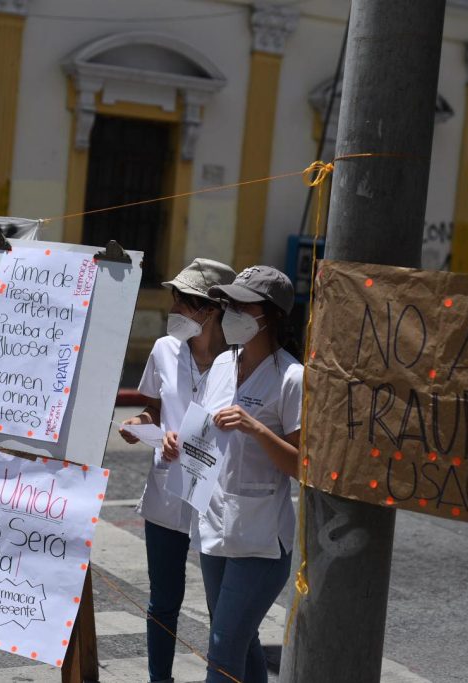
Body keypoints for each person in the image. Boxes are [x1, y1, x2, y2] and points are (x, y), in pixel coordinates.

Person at [165, 265, 302, 683]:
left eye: (243, 305)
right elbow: (200, 429)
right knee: (240, 643)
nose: (231, 312)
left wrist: (256, 427)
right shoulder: (224, 362)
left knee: (223, 649)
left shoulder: (292, 377)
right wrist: (175, 440)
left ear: (271, 315)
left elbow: (302, 465)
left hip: (261, 540)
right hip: (214, 529)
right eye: (230, 303)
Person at [119, 258, 236, 683]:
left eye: (184, 302)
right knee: (163, 600)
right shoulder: (164, 350)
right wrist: (141, 427)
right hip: (168, 488)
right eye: (175, 299)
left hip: (217, 496)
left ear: (212, 308)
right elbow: (153, 409)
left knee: (222, 609)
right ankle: (159, 680)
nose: (176, 310)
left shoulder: (241, 361)